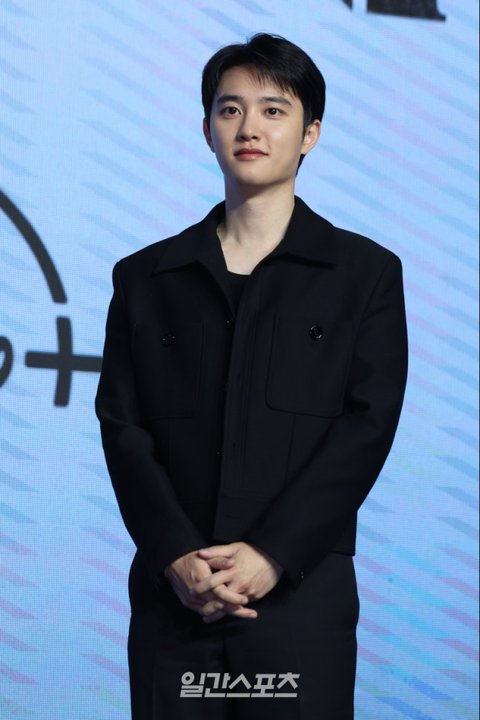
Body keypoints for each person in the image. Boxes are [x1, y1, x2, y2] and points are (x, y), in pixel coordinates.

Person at [95, 32, 408, 720]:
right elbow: (123, 426)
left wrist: (273, 554)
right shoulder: (146, 277)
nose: (249, 128)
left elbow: (366, 428)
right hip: (177, 601)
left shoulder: (364, 275)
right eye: (230, 108)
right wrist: (175, 554)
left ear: (310, 133)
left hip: (301, 601)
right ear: (207, 127)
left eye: (273, 110)